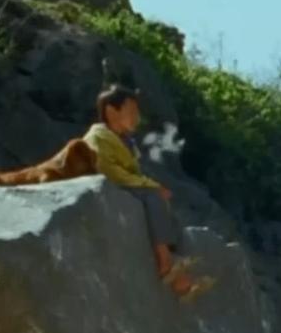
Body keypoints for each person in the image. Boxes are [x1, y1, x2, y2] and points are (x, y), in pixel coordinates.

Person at [83, 84, 215, 302]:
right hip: (110, 183)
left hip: (129, 183)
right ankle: (164, 260)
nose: (137, 118)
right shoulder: (98, 137)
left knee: (168, 213)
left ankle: (181, 281)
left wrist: (148, 184)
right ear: (111, 111)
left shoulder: (127, 141)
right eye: (131, 111)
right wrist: (149, 185)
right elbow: (108, 169)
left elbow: (135, 172)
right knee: (153, 197)